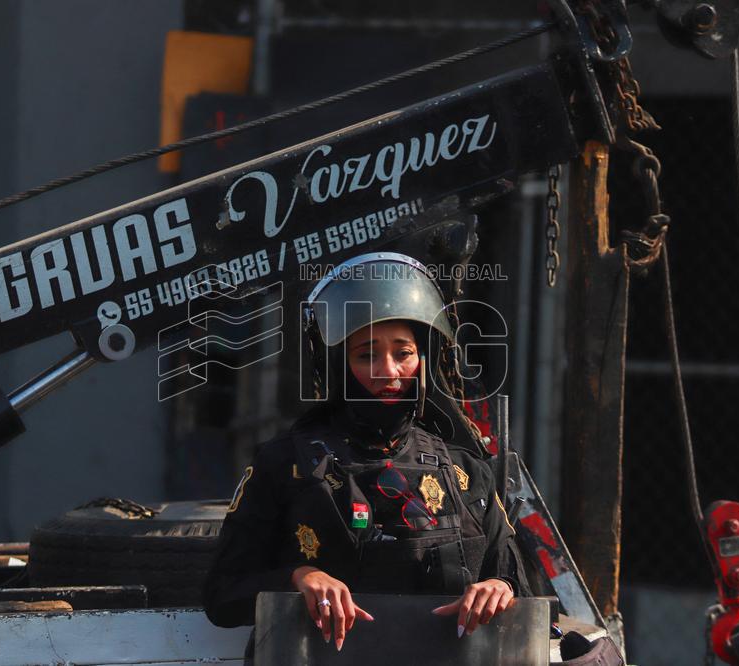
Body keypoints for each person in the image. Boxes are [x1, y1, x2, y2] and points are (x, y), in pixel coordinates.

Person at [203, 252, 527, 658]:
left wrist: (500, 589)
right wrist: (299, 576)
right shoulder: (283, 464)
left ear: (423, 358)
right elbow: (222, 594)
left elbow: (516, 584)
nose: (387, 371)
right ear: (337, 361)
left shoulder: (467, 470)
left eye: (403, 352)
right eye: (366, 354)